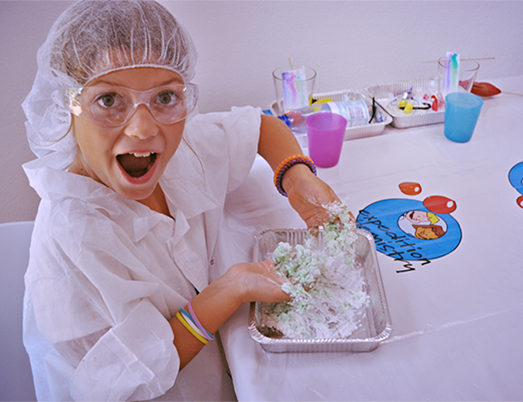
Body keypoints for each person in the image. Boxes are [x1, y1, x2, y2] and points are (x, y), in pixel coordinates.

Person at [20, 1, 342, 400]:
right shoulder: (72, 240)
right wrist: (230, 289)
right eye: (109, 100)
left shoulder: (184, 151)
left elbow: (260, 126)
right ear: (64, 105)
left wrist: (296, 177)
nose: (142, 128)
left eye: (165, 97)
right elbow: (123, 379)